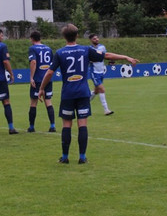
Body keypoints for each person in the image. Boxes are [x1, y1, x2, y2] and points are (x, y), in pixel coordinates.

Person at [39, 24, 138, 164]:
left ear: (64, 37)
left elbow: (49, 72)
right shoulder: (86, 50)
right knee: (82, 124)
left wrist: (42, 88)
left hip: (67, 93)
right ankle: (82, 157)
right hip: (83, 92)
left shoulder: (60, 53)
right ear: (77, 35)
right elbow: (106, 56)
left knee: (66, 125)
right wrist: (126, 57)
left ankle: (65, 157)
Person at [87, 32, 136, 116]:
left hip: (101, 71)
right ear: (91, 40)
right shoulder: (89, 49)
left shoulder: (102, 47)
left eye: (97, 38)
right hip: (94, 72)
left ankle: (84, 103)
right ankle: (106, 110)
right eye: (94, 39)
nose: (97, 39)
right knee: (102, 89)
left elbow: (106, 56)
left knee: (96, 91)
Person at [26, 30, 56, 133]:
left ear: (32, 39)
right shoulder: (48, 48)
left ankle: (31, 127)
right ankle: (52, 126)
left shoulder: (32, 49)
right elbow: (52, 64)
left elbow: (33, 62)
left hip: (38, 79)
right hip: (47, 78)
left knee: (33, 102)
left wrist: (31, 77)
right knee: (48, 101)